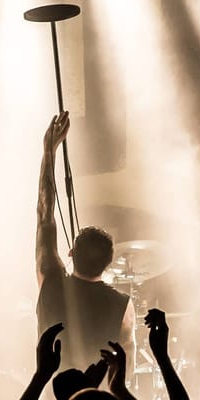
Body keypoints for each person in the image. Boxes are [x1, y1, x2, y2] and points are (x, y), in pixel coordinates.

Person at [35, 112, 129, 372]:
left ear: (70, 253)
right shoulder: (123, 304)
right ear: (109, 263)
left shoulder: (51, 282)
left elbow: (45, 215)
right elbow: (125, 365)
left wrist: (49, 151)